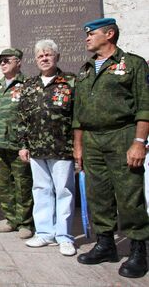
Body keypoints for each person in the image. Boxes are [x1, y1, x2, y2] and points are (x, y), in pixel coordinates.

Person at [73, 18, 149, 278]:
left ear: (110, 33)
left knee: (129, 195)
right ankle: (105, 243)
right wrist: (79, 146)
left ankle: (139, 249)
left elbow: (144, 106)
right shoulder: (84, 71)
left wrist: (139, 143)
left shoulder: (133, 64)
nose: (87, 38)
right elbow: (78, 114)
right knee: (98, 195)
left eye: (91, 33)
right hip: (92, 140)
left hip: (122, 135)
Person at [18, 39, 77, 257]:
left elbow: (77, 116)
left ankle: (64, 236)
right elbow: (22, 117)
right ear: (35, 60)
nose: (44, 58)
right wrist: (23, 145)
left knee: (64, 191)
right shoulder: (30, 84)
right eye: (40, 55)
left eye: (48, 54)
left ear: (57, 57)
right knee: (41, 190)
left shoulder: (70, 82)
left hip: (62, 147)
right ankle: (44, 232)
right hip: (36, 148)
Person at [0, 48, 33, 239]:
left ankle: (25, 223)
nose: (3, 64)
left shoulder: (28, 84)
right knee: (3, 185)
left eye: (6, 60)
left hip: (19, 144)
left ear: (18, 62)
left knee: (23, 184)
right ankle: (11, 220)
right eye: (0, 61)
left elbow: (32, 116)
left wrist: (26, 143)